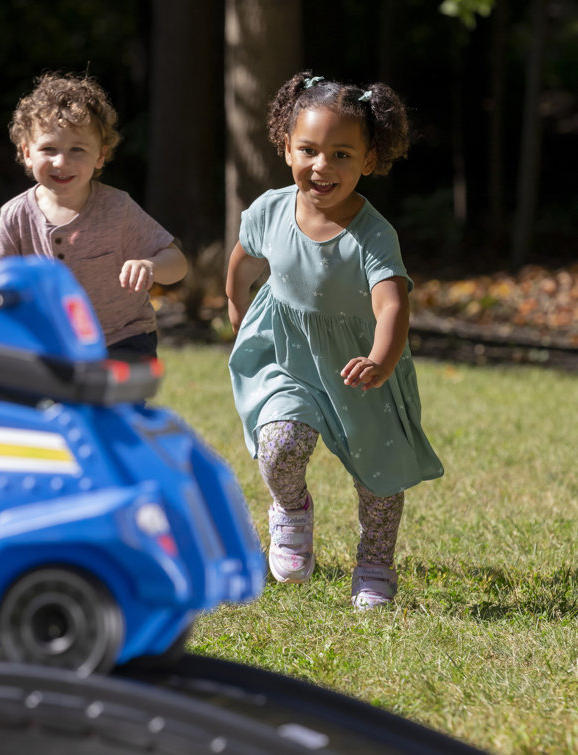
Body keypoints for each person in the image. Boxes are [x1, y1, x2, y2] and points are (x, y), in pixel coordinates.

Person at [226, 72, 444, 609]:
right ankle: (291, 511)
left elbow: (392, 302)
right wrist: (235, 303)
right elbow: (245, 257)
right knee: (278, 445)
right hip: (288, 354)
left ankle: (373, 563)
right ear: (286, 148)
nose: (322, 166)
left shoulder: (373, 233)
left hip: (358, 364)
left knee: (379, 478)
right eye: (309, 150)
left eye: (342, 154)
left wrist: (380, 359)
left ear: (369, 161)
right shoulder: (271, 209)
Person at [0, 71, 187, 357]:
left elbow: (178, 263)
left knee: (115, 401)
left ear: (100, 156)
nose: (62, 161)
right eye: (48, 148)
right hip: (50, 344)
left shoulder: (117, 208)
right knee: (42, 400)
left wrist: (150, 265)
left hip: (123, 337)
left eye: (77, 149)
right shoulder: (16, 215)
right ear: (27, 153)